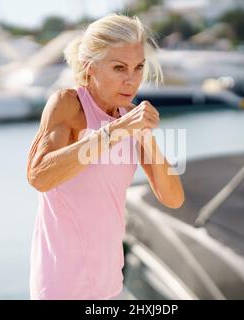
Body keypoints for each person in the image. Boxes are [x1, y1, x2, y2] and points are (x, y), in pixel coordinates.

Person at [26, 13, 185, 300]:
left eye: (138, 67)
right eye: (118, 68)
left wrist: (145, 137)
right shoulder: (69, 105)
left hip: (110, 286)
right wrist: (118, 129)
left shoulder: (129, 115)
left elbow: (173, 198)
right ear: (90, 68)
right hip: (61, 288)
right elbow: (39, 176)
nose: (131, 80)